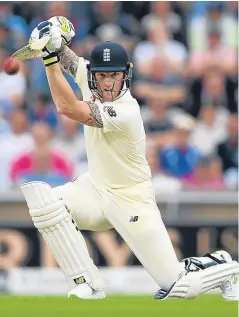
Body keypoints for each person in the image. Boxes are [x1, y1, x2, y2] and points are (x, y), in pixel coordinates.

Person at [21, 17, 239, 301]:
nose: (108, 82)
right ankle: (87, 283)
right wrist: (53, 41)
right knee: (45, 202)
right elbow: (71, 60)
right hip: (95, 190)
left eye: (115, 75)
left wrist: (48, 58)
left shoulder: (126, 111)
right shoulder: (89, 75)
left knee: (178, 287)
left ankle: (225, 266)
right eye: (102, 75)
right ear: (93, 75)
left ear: (127, 75)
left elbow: (68, 108)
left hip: (132, 199)